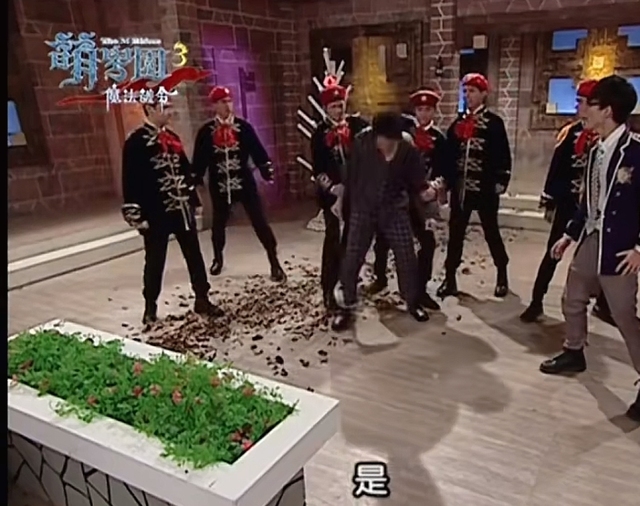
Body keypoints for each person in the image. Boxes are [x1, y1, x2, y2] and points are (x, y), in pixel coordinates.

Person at [540, 75, 640, 422]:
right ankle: (574, 350)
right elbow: (588, 202)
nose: (583, 110)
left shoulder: (636, 151)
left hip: (621, 247)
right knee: (573, 297)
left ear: (607, 110)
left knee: (624, 315)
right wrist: (569, 235)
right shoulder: (596, 149)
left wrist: (639, 248)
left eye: (590, 104)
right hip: (592, 238)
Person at [121, 100, 223, 324]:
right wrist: (138, 217)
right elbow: (130, 181)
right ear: (150, 109)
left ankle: (202, 298)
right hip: (155, 212)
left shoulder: (173, 137)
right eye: (164, 107)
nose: (169, 112)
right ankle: (150, 306)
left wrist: (193, 200)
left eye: (169, 106)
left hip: (182, 210)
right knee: (155, 260)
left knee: (194, 255)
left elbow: (185, 171)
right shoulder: (135, 142)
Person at [521, 80, 614, 323]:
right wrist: (550, 199)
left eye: (581, 102)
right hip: (569, 204)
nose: (577, 107)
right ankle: (536, 301)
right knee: (553, 251)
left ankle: (604, 304)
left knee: (601, 256)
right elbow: (557, 168)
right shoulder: (571, 133)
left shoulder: (609, 135)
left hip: (599, 210)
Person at [333, 112, 432, 330]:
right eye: (385, 139)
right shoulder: (362, 143)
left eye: (393, 140)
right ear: (376, 135)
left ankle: (412, 301)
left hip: (394, 207)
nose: (388, 145)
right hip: (364, 206)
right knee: (353, 256)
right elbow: (350, 177)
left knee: (406, 255)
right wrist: (343, 203)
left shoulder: (407, 148)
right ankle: (346, 305)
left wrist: (427, 193)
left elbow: (417, 180)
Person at [192, 86, 286, 282]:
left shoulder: (243, 128)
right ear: (214, 105)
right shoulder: (206, 132)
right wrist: (196, 179)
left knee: (259, 221)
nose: (227, 105)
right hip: (219, 183)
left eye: (229, 101)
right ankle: (218, 258)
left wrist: (265, 169)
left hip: (244, 181)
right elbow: (199, 160)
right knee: (219, 223)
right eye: (222, 102)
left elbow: (258, 151)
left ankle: (274, 261)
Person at [368, 87, 448, 311]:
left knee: (427, 242)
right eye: (420, 109)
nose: (423, 114)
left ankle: (420, 290)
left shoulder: (440, 139)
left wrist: (435, 188)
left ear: (434, 111)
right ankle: (380, 277)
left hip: (423, 198)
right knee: (382, 239)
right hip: (399, 196)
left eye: (428, 109)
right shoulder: (402, 131)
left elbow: (445, 169)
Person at [437, 73, 512, 299]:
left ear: (483, 94)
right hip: (461, 191)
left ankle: (502, 273)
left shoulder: (494, 123)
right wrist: (446, 184)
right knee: (456, 234)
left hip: (485, 189)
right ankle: (450, 278)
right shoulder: (457, 124)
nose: (467, 95)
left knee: (491, 232)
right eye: (465, 91)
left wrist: (501, 180)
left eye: (472, 91)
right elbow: (448, 158)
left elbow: (503, 155)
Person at [311, 74, 369, 317]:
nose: (338, 110)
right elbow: (318, 170)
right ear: (326, 108)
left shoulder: (357, 126)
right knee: (333, 240)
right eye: (334, 106)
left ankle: (348, 282)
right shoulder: (319, 133)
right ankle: (328, 288)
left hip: (356, 194)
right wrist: (333, 188)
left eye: (341, 105)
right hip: (332, 196)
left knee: (353, 241)